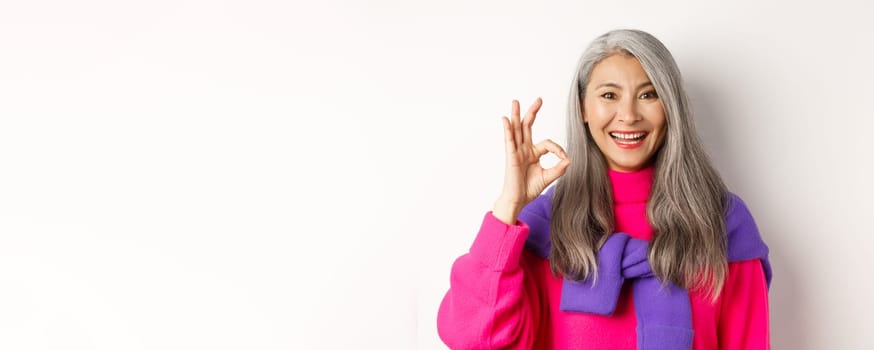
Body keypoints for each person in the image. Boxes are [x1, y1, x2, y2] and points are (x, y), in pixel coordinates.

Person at [436, 29, 772, 350]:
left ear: (671, 108)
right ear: (583, 107)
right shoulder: (544, 224)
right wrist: (509, 206)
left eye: (648, 94)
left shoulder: (721, 221)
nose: (628, 115)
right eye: (609, 95)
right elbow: (473, 337)